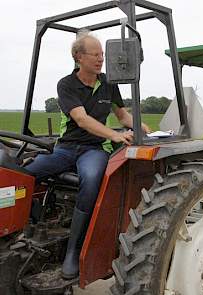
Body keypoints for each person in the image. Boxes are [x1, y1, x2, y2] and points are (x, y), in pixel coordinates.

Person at [25, 31, 150, 279]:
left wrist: (138, 124)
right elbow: (81, 120)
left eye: (102, 54)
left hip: (93, 150)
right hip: (66, 148)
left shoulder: (108, 84)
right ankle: (31, 222)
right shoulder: (66, 84)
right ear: (78, 57)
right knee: (25, 173)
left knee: (92, 180)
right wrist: (114, 135)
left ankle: (74, 251)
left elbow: (122, 116)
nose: (101, 59)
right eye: (95, 54)